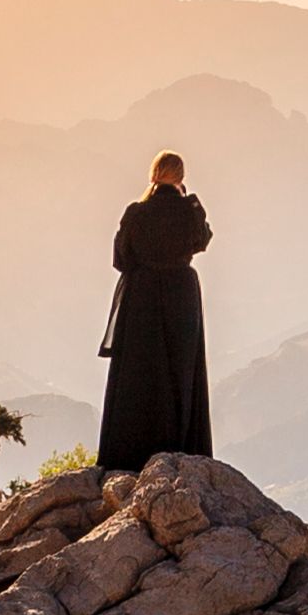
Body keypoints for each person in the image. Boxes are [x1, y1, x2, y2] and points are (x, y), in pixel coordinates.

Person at [96, 149, 213, 472]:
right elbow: (202, 241)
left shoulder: (136, 213)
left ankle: (132, 454)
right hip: (181, 297)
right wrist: (187, 201)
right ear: (181, 177)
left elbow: (121, 258)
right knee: (181, 371)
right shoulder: (189, 210)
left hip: (142, 298)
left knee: (140, 371)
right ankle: (180, 450)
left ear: (154, 174)